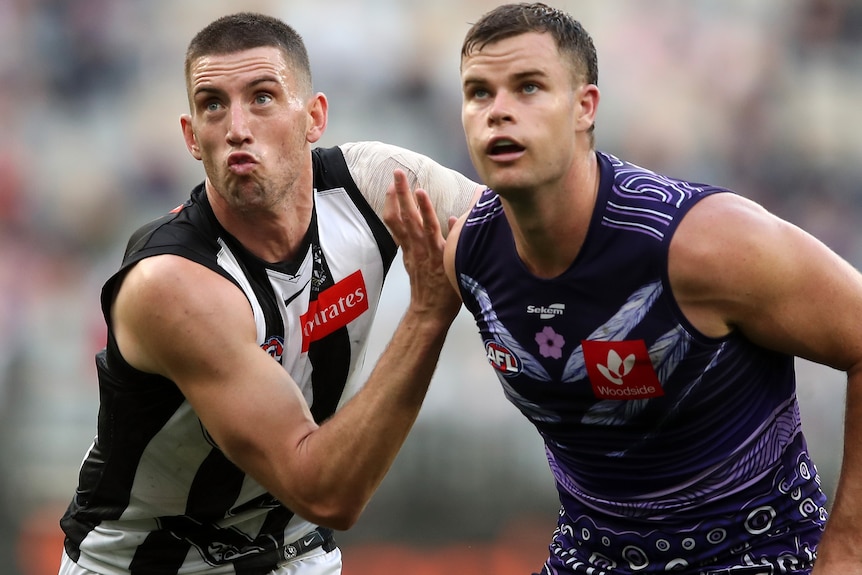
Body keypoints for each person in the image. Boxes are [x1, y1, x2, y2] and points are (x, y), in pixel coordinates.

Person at [441, 3, 862, 574]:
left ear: (584, 108)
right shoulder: (468, 255)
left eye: (529, 88)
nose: (498, 113)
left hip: (756, 554)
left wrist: (850, 553)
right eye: (479, 93)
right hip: (589, 559)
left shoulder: (705, 242)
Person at [58, 12, 481, 575]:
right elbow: (326, 493)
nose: (237, 126)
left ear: (314, 118)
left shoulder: (375, 184)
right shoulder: (172, 283)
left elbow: (521, 232)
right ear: (190, 137)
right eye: (213, 104)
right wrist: (428, 315)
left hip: (296, 553)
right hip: (150, 565)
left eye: (262, 97)